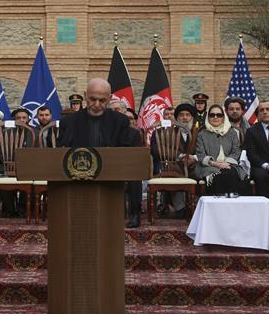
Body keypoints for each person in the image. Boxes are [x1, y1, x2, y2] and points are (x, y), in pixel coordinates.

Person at [58, 78, 143, 228]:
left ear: (109, 99)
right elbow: (61, 151)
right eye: (92, 99)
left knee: (134, 173)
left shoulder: (120, 121)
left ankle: (134, 214)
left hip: (111, 170)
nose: (97, 105)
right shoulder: (69, 121)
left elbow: (123, 150)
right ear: (85, 96)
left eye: (102, 100)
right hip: (79, 171)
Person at [149, 103, 196, 218]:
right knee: (172, 171)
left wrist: (193, 158)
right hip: (175, 165)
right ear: (177, 118)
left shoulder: (197, 131)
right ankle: (180, 208)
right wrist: (181, 156)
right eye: (181, 115)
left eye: (188, 115)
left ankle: (197, 207)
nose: (185, 118)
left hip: (195, 164)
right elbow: (159, 150)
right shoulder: (166, 133)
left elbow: (202, 149)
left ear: (192, 118)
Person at [194, 103, 248, 196]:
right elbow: (200, 155)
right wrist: (215, 163)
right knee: (219, 173)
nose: (215, 117)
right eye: (212, 115)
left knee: (232, 173)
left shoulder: (231, 133)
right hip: (208, 166)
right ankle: (218, 202)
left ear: (224, 117)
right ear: (208, 117)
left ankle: (232, 201)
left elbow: (236, 151)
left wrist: (226, 162)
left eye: (219, 115)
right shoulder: (202, 134)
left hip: (229, 164)